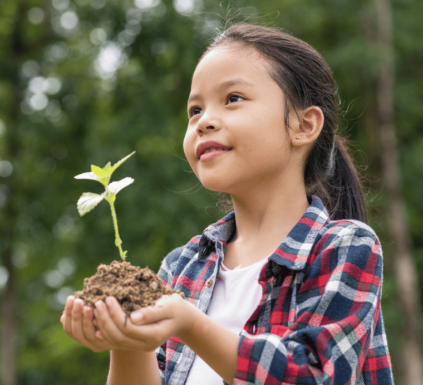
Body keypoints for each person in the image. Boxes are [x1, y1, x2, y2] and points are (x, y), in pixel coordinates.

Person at [60, 22, 394, 385]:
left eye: (232, 99)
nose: (203, 122)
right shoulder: (180, 268)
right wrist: (127, 339)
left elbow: (314, 376)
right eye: (194, 110)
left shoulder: (344, 247)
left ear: (303, 125)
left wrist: (190, 324)